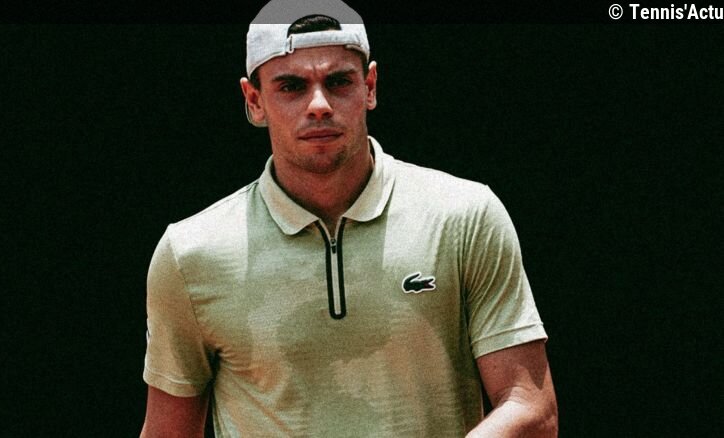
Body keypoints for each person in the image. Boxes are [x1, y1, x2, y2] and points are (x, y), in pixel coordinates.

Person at [140, 0, 558, 436]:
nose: (319, 104)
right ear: (254, 101)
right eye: (291, 86)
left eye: (339, 81)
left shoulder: (463, 216)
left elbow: (531, 408)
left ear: (370, 86)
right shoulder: (191, 253)